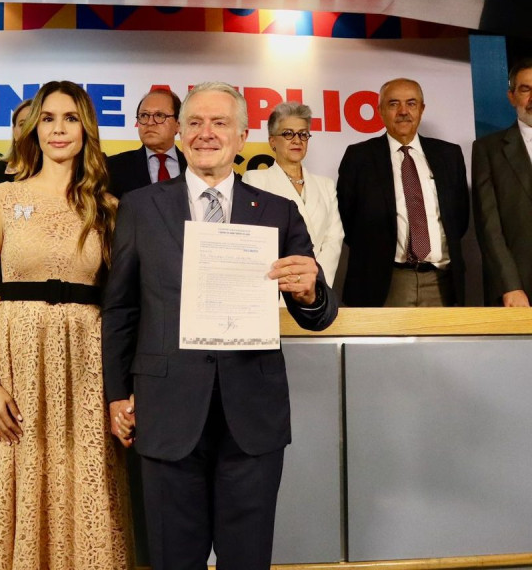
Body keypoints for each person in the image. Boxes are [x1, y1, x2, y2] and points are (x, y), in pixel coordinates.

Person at [102, 82, 338, 570]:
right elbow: (121, 308)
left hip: (251, 414)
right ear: (180, 133)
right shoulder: (140, 207)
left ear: (243, 136)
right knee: (172, 559)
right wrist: (117, 393)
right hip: (165, 411)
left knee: (246, 559)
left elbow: (318, 312)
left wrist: (310, 291)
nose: (205, 133)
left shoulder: (277, 210)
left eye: (220, 123)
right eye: (194, 122)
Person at [0, 80, 133, 569]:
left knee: (86, 480)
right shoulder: (2, 197)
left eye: (71, 118)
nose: (59, 129)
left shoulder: (109, 207)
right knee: (22, 472)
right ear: (34, 128)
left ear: (87, 129)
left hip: (88, 366)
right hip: (16, 363)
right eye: (49, 118)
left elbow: (125, 305)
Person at [336, 78, 469, 307]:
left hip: (442, 282)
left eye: (411, 103)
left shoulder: (449, 155)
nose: (403, 111)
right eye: (393, 104)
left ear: (422, 109)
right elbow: (346, 221)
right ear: (380, 110)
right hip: (384, 282)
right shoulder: (359, 157)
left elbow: (460, 218)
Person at [243, 101, 344, 285]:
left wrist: (315, 278)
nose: (297, 140)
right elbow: (254, 239)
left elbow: (334, 238)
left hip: (316, 283)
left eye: (303, 134)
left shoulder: (325, 185)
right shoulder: (255, 180)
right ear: (272, 141)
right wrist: (288, 277)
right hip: (273, 281)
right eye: (288, 133)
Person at [472, 58, 532, 307]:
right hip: (520, 290)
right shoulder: (488, 149)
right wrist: (510, 285)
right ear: (511, 97)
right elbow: (489, 226)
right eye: (526, 89)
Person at [106, 88, 187, 197]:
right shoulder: (113, 167)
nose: (150, 122)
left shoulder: (193, 166)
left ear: (178, 124)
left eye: (159, 115)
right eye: (144, 115)